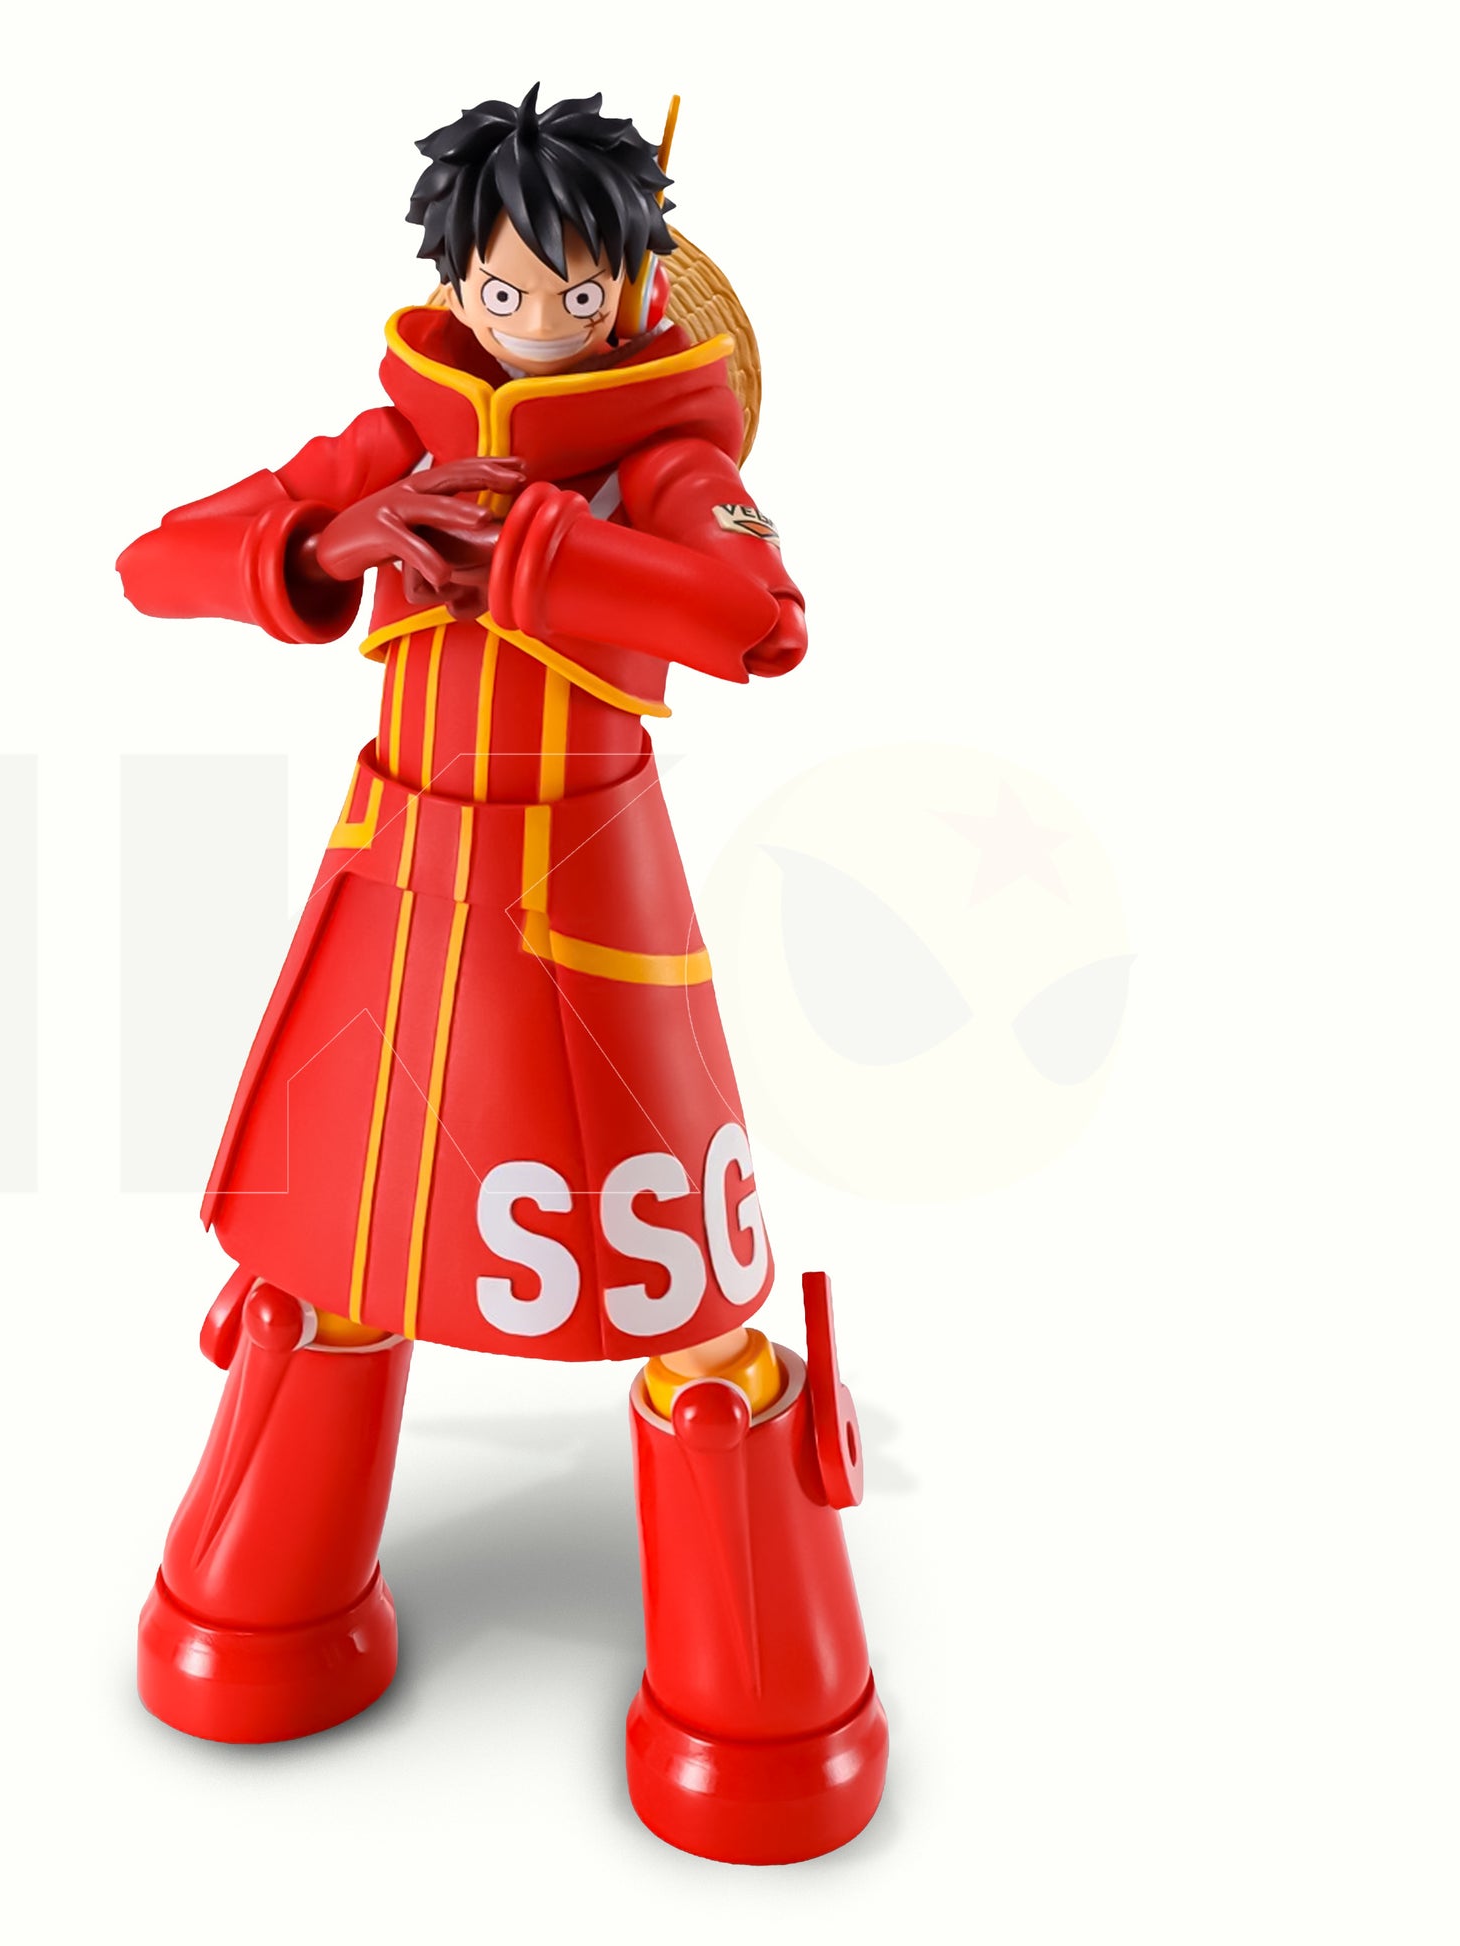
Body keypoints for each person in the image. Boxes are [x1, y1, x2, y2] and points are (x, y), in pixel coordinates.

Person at [117, 86, 886, 1865]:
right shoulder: (396, 432)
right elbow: (155, 561)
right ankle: (260, 1607)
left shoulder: (664, 455)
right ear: (454, 277)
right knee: (330, 1257)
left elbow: (758, 620)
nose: (535, 320)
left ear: (638, 290)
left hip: (584, 885)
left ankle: (758, 1701)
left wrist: (541, 552)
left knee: (680, 1293)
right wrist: (319, 545)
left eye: (577, 292)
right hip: (397, 878)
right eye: (502, 286)